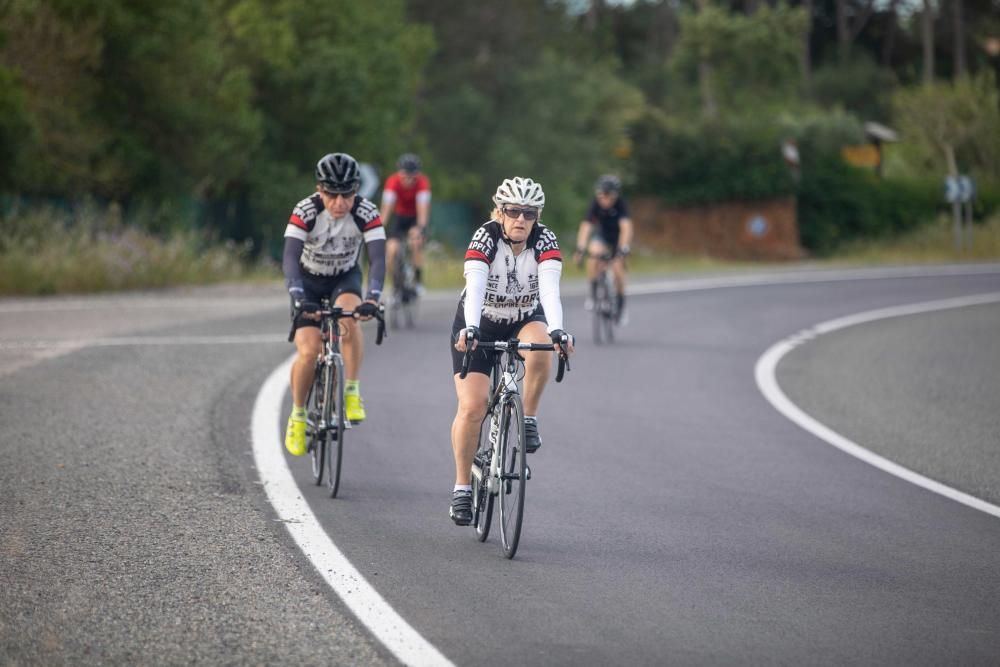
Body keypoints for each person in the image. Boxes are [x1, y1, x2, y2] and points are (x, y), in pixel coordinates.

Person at [448, 177, 575, 525]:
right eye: (514, 211)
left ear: (537, 217)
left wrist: (558, 330)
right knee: (472, 407)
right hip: (481, 321)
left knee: (542, 347)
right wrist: (470, 328)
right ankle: (461, 488)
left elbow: (550, 290)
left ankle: (528, 417)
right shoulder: (484, 237)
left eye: (529, 213)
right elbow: (473, 288)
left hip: (523, 317)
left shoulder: (544, 240)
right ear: (500, 212)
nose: (521, 219)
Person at [283, 152, 386, 457]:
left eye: (347, 194)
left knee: (350, 318)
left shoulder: (366, 212)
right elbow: (289, 257)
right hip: (308, 280)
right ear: (319, 189)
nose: (340, 202)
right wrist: (299, 297)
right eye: (332, 194)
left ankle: (352, 390)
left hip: (344, 276)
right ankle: (298, 415)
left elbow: (377, 259)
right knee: (309, 350)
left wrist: (373, 299)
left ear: (357, 191)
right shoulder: (306, 210)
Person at [573, 174, 634, 323]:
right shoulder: (596, 204)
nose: (604, 199)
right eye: (601, 195)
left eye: (608, 196)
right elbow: (586, 226)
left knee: (618, 271)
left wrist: (624, 248)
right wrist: (580, 248)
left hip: (617, 239)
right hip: (602, 237)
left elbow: (626, 228)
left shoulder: (621, 204)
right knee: (593, 254)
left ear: (615, 195)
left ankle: (620, 306)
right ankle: (593, 294)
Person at [379, 153, 431, 293]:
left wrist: (420, 228)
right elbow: (386, 209)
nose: (408, 180)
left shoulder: (422, 182)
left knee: (416, 242)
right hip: (399, 217)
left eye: (411, 177)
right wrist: (379, 227)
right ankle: (396, 284)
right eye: (404, 176)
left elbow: (422, 209)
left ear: (417, 175)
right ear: (399, 174)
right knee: (391, 251)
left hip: (415, 217)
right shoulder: (392, 181)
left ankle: (418, 280)